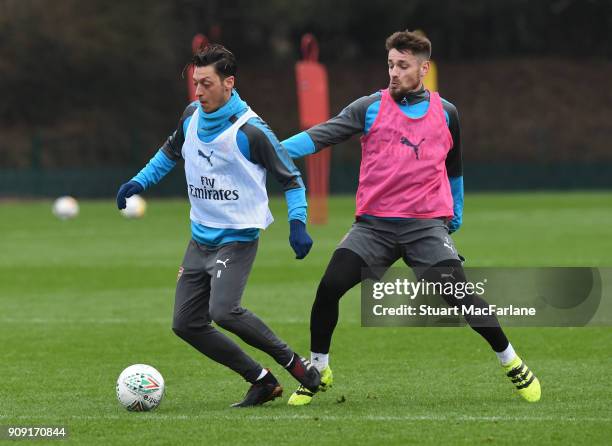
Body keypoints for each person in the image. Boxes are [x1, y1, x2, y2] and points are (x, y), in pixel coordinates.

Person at [281, 30, 541, 405]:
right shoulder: (368, 107)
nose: (393, 72)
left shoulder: (446, 112)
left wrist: (457, 211)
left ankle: (511, 361)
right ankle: (318, 370)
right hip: (373, 226)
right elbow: (320, 136)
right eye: (390, 64)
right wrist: (269, 150)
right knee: (330, 287)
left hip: (425, 226)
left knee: (461, 296)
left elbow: (455, 169)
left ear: (424, 68)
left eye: (402, 66)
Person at [116, 44, 320, 407]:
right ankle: (261, 381)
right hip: (199, 239)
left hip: (236, 239)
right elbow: (169, 153)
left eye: (206, 84)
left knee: (223, 311)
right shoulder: (192, 114)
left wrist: (298, 223)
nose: (198, 91)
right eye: (196, 83)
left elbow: (291, 179)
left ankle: (292, 361)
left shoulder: (251, 131)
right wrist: (139, 182)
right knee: (185, 323)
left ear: (229, 83)